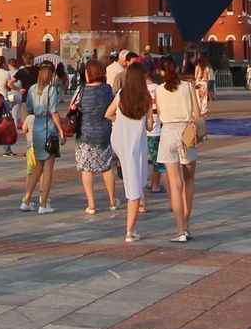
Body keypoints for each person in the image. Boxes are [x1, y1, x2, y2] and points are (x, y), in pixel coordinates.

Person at [150, 60, 201, 241]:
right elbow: (197, 113)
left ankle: (180, 231)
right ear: (177, 69)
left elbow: (159, 113)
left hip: (168, 133)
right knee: (189, 180)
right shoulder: (188, 87)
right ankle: (187, 225)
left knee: (175, 184)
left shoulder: (158, 90)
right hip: (186, 132)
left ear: (161, 72)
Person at [107, 63, 152, 244]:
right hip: (135, 147)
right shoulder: (146, 99)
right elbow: (150, 125)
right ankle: (130, 231)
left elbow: (107, 114)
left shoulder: (121, 95)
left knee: (133, 182)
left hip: (120, 143)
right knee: (134, 189)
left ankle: (131, 230)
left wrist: (120, 121)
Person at [20, 62, 68, 215]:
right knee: (48, 169)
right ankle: (43, 203)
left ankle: (26, 199)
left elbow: (29, 108)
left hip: (36, 128)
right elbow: (54, 112)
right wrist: (61, 131)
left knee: (37, 167)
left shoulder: (32, 89)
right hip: (48, 128)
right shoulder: (51, 90)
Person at [72, 61, 119, 216]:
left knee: (86, 169)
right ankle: (112, 200)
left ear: (90, 73)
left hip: (85, 134)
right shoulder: (107, 89)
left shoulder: (82, 90)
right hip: (104, 133)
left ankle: (91, 204)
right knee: (107, 166)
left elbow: (73, 106)